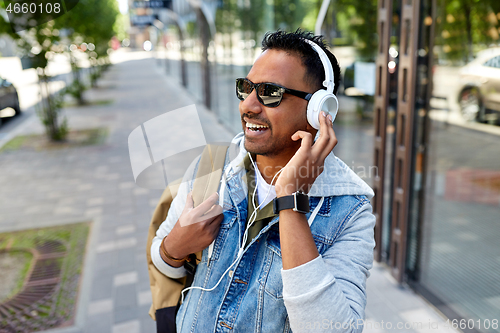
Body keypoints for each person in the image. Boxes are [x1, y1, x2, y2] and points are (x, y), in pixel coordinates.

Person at [151, 29, 375, 333]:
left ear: (319, 109)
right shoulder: (213, 165)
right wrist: (173, 248)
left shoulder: (349, 211)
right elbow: (162, 258)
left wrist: (291, 199)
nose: (248, 106)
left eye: (270, 92)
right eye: (246, 88)